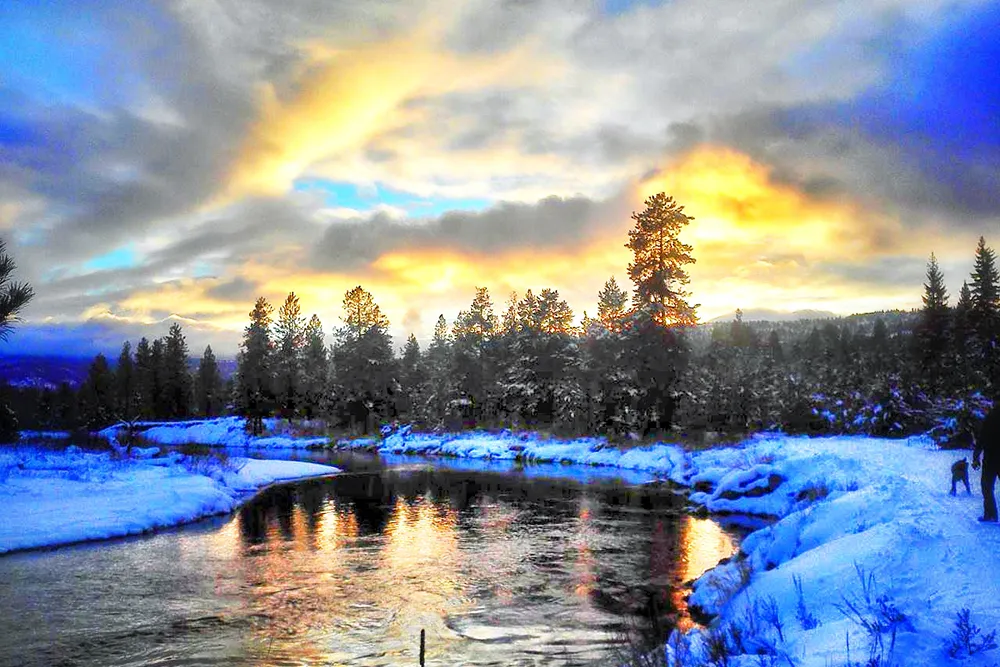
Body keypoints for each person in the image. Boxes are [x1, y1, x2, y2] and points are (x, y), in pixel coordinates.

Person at [973, 405, 1000, 522]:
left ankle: (990, 514)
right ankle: (990, 514)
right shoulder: (990, 417)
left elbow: (982, 438)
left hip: (990, 459)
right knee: (987, 487)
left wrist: (976, 457)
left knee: (987, 487)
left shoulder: (990, 418)